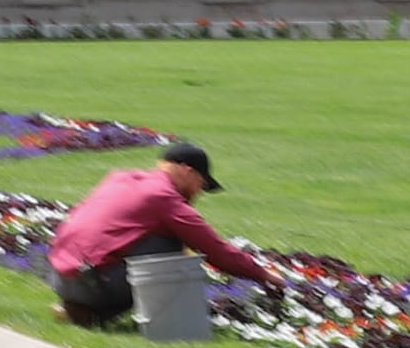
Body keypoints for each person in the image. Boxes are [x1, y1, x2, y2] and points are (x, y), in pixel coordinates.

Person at [45, 140, 275, 328]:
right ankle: (167, 325)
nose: (198, 193)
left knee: (159, 242)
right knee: (171, 246)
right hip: (91, 284)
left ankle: (79, 312)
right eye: (201, 185)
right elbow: (215, 250)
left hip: (59, 276)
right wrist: (264, 276)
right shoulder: (164, 198)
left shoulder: (121, 178)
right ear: (187, 171)